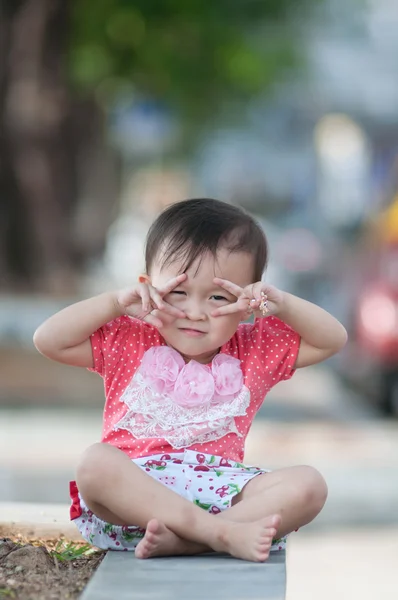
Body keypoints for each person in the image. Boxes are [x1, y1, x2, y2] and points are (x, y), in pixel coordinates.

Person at [33, 198, 347, 563]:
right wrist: (114, 303)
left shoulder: (253, 349)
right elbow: (48, 340)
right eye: (178, 293)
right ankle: (219, 536)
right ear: (148, 286)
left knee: (309, 485)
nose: (195, 313)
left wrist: (283, 303)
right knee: (94, 463)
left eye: (218, 297)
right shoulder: (130, 338)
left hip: (221, 496)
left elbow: (332, 339)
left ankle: (190, 540)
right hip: (131, 502)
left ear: (247, 300)